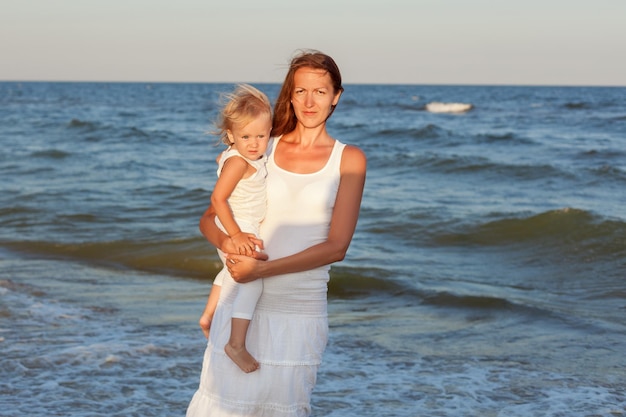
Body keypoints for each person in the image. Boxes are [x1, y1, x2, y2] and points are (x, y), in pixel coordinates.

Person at [186, 49, 366, 417]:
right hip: (242, 305)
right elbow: (209, 217)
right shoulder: (262, 144)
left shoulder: (349, 159)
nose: (309, 101)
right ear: (289, 94)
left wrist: (261, 270)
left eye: (320, 91)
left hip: (299, 309)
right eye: (300, 91)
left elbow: (336, 247)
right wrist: (232, 248)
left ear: (337, 96)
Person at [202, 84, 272, 374]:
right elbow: (217, 198)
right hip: (237, 223)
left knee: (228, 272)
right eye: (246, 136)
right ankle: (236, 344)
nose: (254, 143)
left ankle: (208, 316)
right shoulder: (238, 162)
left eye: (261, 135)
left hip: (239, 222)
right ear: (231, 136)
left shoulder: (238, 154)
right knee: (252, 279)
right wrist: (236, 235)